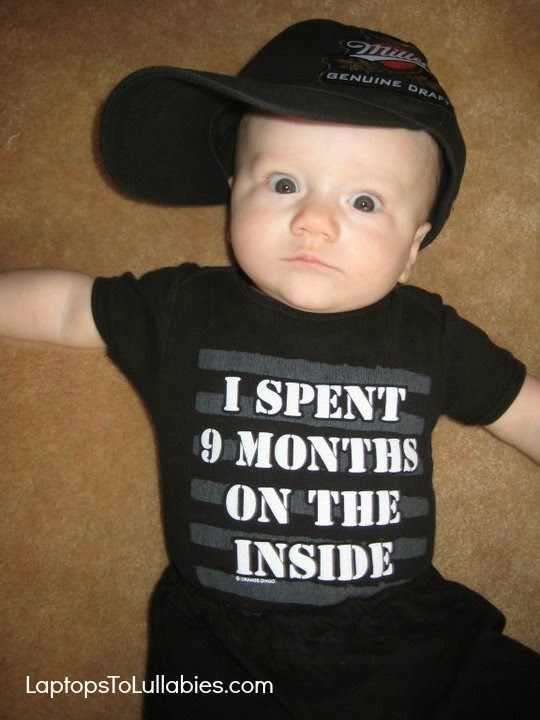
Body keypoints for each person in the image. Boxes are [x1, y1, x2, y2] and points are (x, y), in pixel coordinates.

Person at [1, 18, 538, 720]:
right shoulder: (182, 307)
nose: (315, 220)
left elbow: (522, 408)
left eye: (364, 201)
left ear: (413, 248)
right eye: (284, 183)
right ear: (234, 194)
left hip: (409, 642)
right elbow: (72, 306)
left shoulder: (431, 333)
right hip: (222, 650)